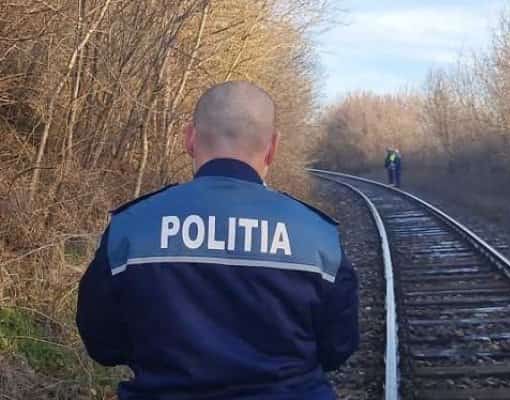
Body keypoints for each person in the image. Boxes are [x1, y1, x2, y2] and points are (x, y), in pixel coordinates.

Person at [76, 81, 359, 400]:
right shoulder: (317, 235)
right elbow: (338, 348)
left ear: (189, 138)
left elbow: (102, 343)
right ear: (273, 147)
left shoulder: (131, 227)